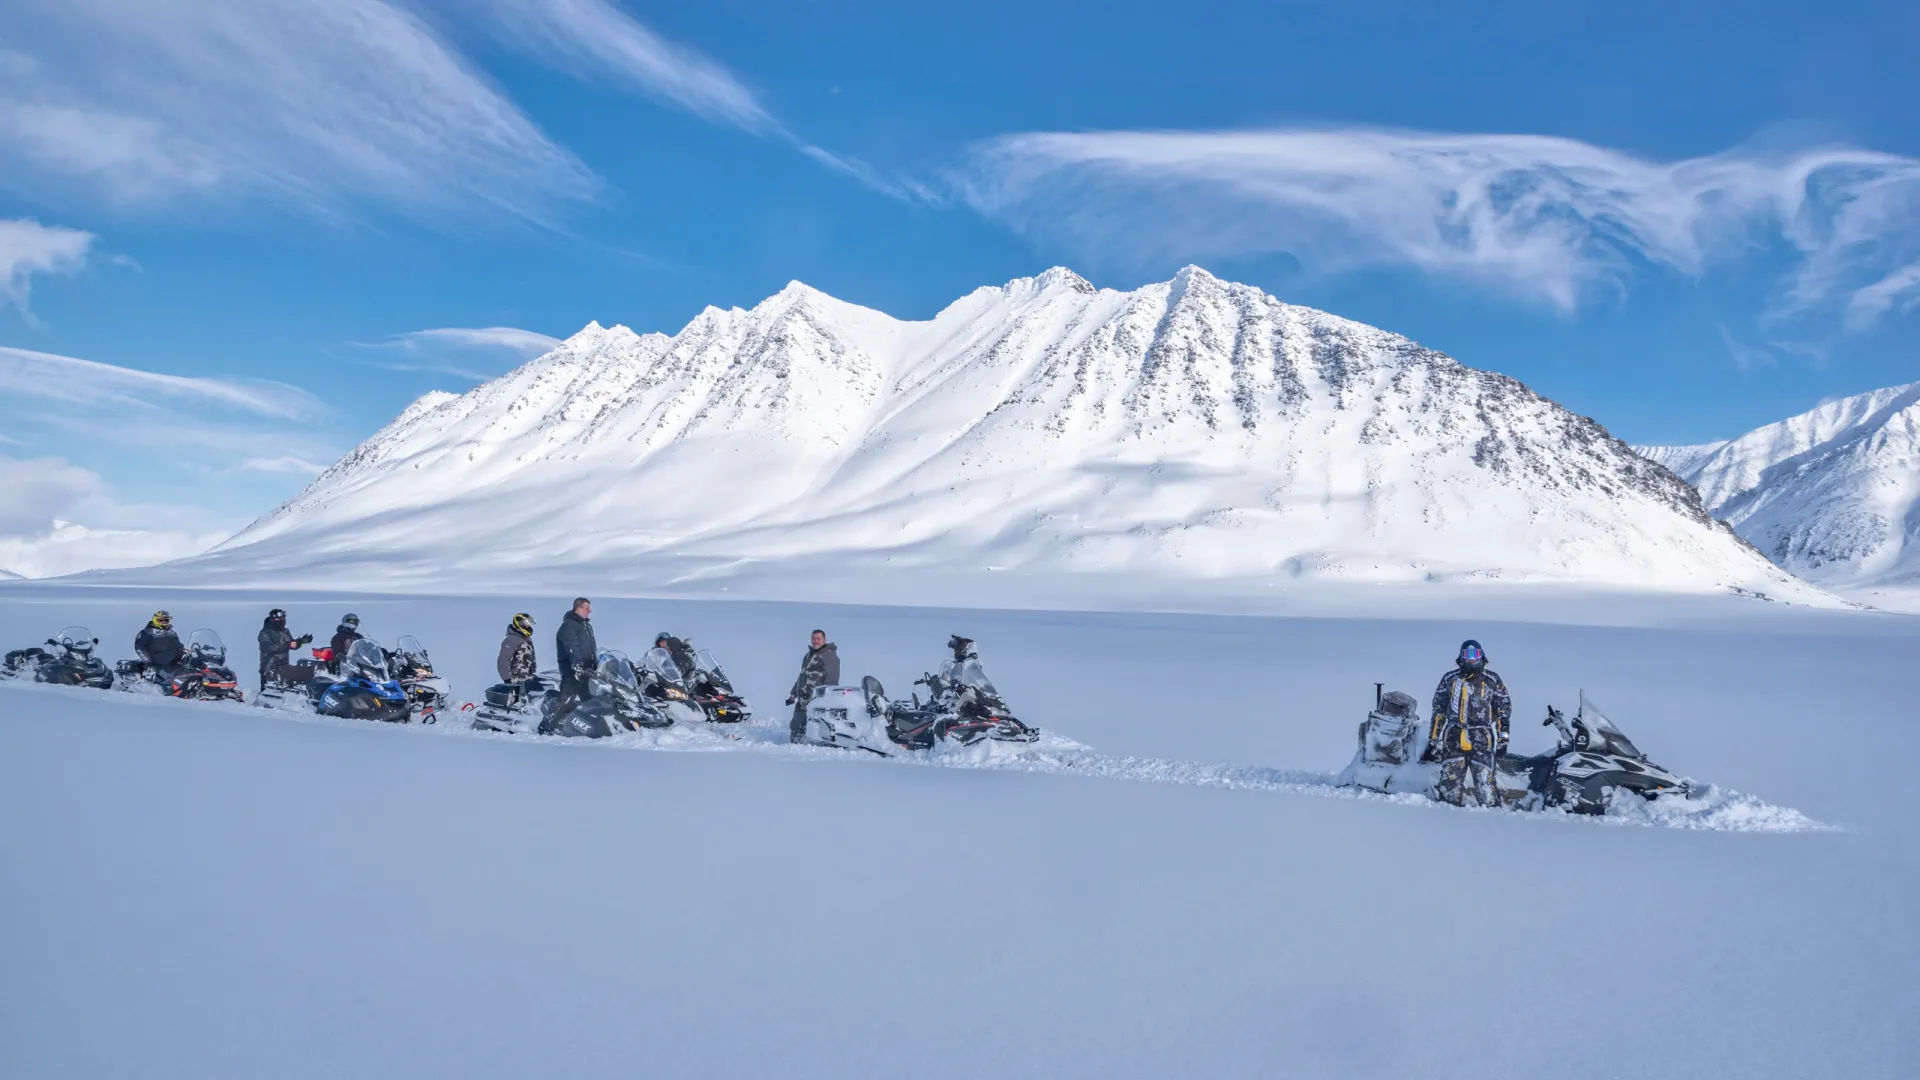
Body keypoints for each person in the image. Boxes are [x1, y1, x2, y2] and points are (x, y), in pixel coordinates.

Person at [1424, 639, 1512, 807]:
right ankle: (1447, 818)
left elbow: (1503, 710)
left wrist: (1503, 739)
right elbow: (1439, 710)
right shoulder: (1450, 678)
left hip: (1482, 737)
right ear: (1461, 657)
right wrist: (1434, 739)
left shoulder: (1492, 680)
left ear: (1482, 655)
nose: (1472, 659)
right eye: (1467, 655)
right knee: (1450, 785)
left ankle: (1492, 817)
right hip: (1454, 736)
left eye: (1475, 655)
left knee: (1485, 785)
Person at [546, 597, 597, 729]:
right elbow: (572, 647)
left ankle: (589, 728)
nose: (589, 611)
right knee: (566, 699)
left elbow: (590, 648)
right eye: (587, 608)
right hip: (572, 670)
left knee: (588, 701)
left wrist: (596, 664)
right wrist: (577, 665)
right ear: (578, 608)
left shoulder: (585, 626)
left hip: (586, 671)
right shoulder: (569, 626)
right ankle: (546, 726)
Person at [785, 628, 840, 744]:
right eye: (813, 639)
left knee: (816, 731)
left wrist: (825, 701)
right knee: (795, 727)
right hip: (802, 700)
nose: (815, 641)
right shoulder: (808, 655)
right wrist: (793, 693)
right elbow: (802, 675)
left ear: (824, 640)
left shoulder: (830, 656)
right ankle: (795, 750)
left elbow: (832, 681)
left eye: (818, 639)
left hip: (816, 702)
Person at [256, 608, 314, 692]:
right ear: (272, 619)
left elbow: (292, 645)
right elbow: (268, 648)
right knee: (268, 690)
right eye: (278, 619)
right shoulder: (265, 632)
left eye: (283, 618)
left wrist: (301, 641)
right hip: (269, 668)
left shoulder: (285, 631)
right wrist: (287, 645)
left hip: (284, 667)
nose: (281, 620)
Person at [133, 610, 187, 675]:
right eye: (160, 620)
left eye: (166, 620)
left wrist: (183, 650)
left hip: (174, 662)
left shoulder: (172, 632)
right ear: (155, 620)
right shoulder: (147, 632)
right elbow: (139, 647)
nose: (163, 622)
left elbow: (177, 645)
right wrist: (148, 663)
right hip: (158, 664)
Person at [497, 613, 536, 684]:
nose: (527, 626)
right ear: (518, 624)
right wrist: (507, 679)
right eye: (525, 624)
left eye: (528, 624)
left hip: (527, 682)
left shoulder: (527, 640)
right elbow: (503, 661)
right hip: (515, 683)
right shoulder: (511, 640)